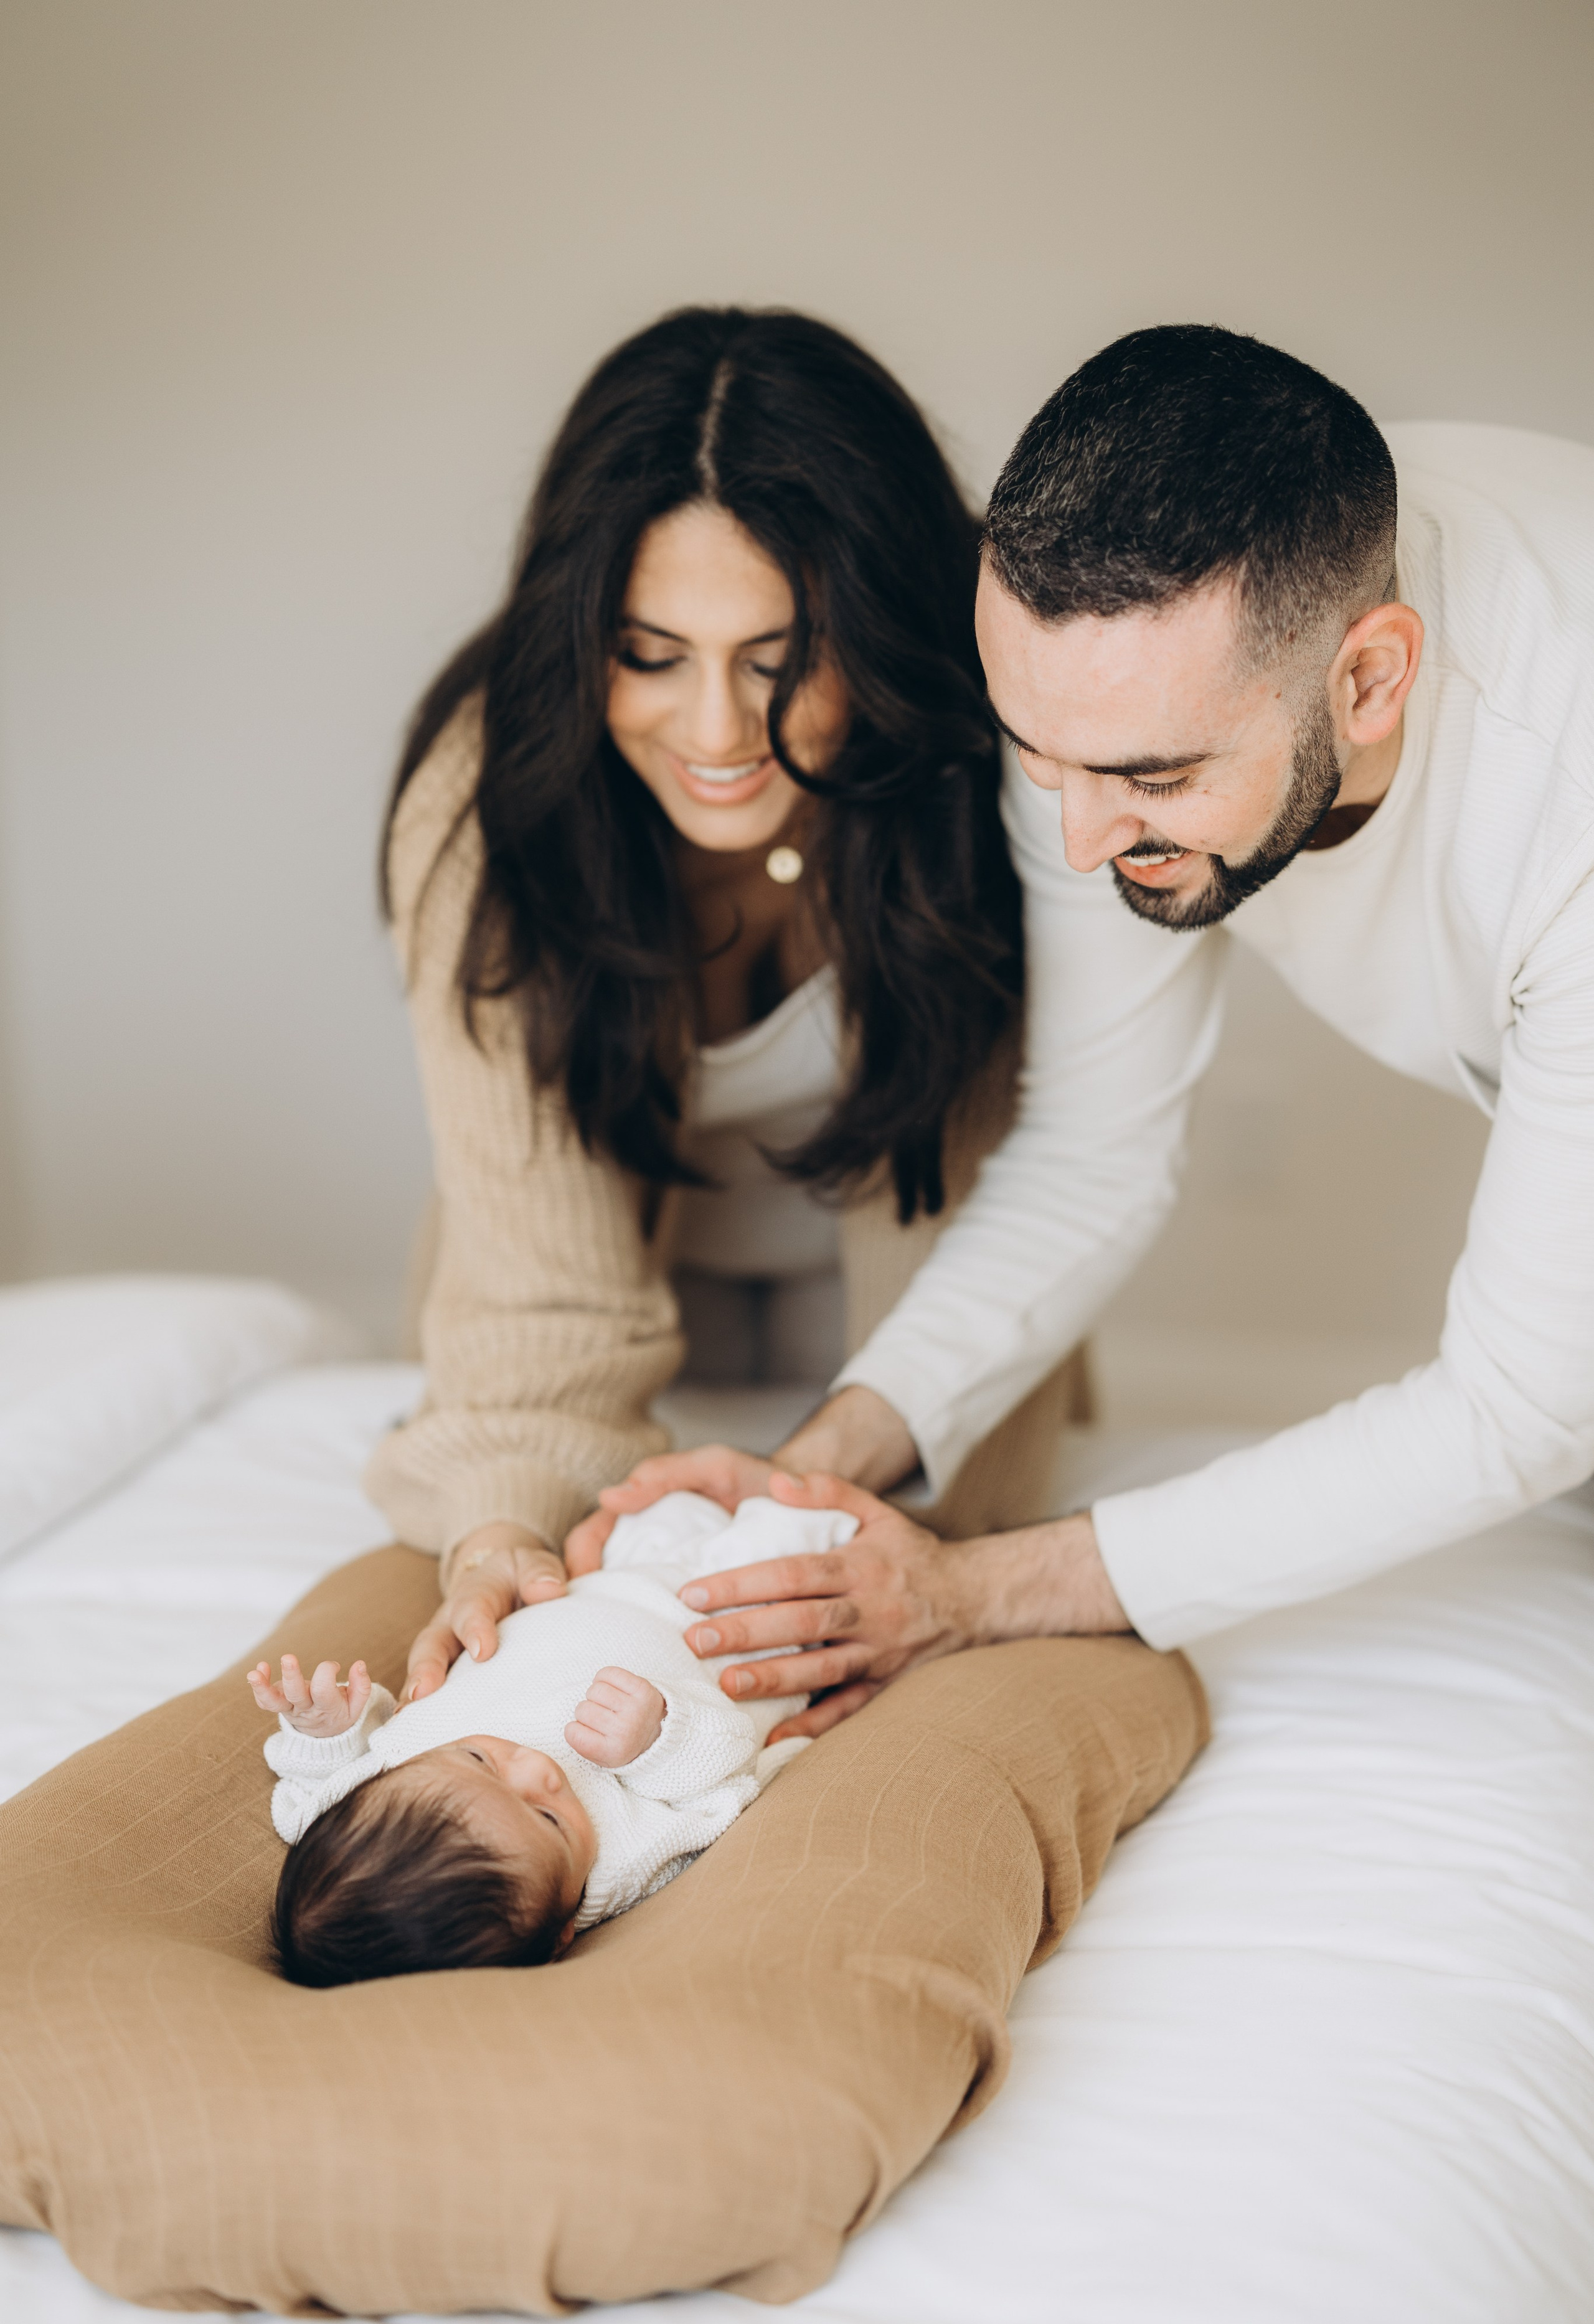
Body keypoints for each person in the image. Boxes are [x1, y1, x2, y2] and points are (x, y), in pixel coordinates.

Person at [586, 325, 1594, 1701]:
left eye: (1150, 780)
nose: (1075, 845)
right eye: (1033, 757)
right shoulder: (1109, 687)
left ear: (1368, 681)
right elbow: (1090, 1151)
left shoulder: (1561, 795)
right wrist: (811, 1467)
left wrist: (971, 1594)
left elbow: (1520, 1410)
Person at [362, 304, 1090, 1728]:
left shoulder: (982, 786)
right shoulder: (486, 799)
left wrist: (853, 1521)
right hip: (603, 1302)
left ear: (876, 629)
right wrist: (505, 1528)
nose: (711, 733)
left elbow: (992, 1251)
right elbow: (533, 1293)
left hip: (891, 1323)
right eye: (649, 653)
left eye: (777, 660)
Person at [252, 1491, 857, 1987]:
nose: (539, 1773)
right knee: (800, 1519)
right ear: (562, 1927)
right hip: (730, 1626)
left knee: (659, 1502)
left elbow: (321, 1786)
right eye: (547, 1819)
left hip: (606, 1581)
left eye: (478, 1759)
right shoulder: (626, 1860)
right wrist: (658, 1739)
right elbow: (727, 1785)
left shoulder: (379, 1794)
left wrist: (326, 1730)